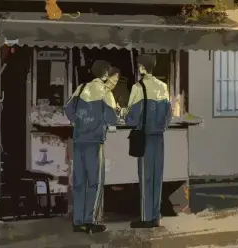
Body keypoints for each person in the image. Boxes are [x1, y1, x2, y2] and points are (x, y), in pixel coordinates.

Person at [64, 60, 117, 234]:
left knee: (79, 182)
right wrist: (101, 123)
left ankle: (78, 222)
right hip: (94, 142)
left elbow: (68, 109)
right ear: (105, 73)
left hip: (78, 141)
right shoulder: (105, 91)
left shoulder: (81, 88)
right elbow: (112, 117)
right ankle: (91, 221)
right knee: (94, 182)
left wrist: (78, 123)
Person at [124, 54, 172, 229]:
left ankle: (146, 218)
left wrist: (125, 115)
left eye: (139, 65)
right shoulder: (163, 87)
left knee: (146, 178)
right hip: (159, 137)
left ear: (142, 67)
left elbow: (131, 118)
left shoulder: (138, 87)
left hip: (144, 137)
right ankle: (156, 216)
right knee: (157, 177)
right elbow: (169, 114)